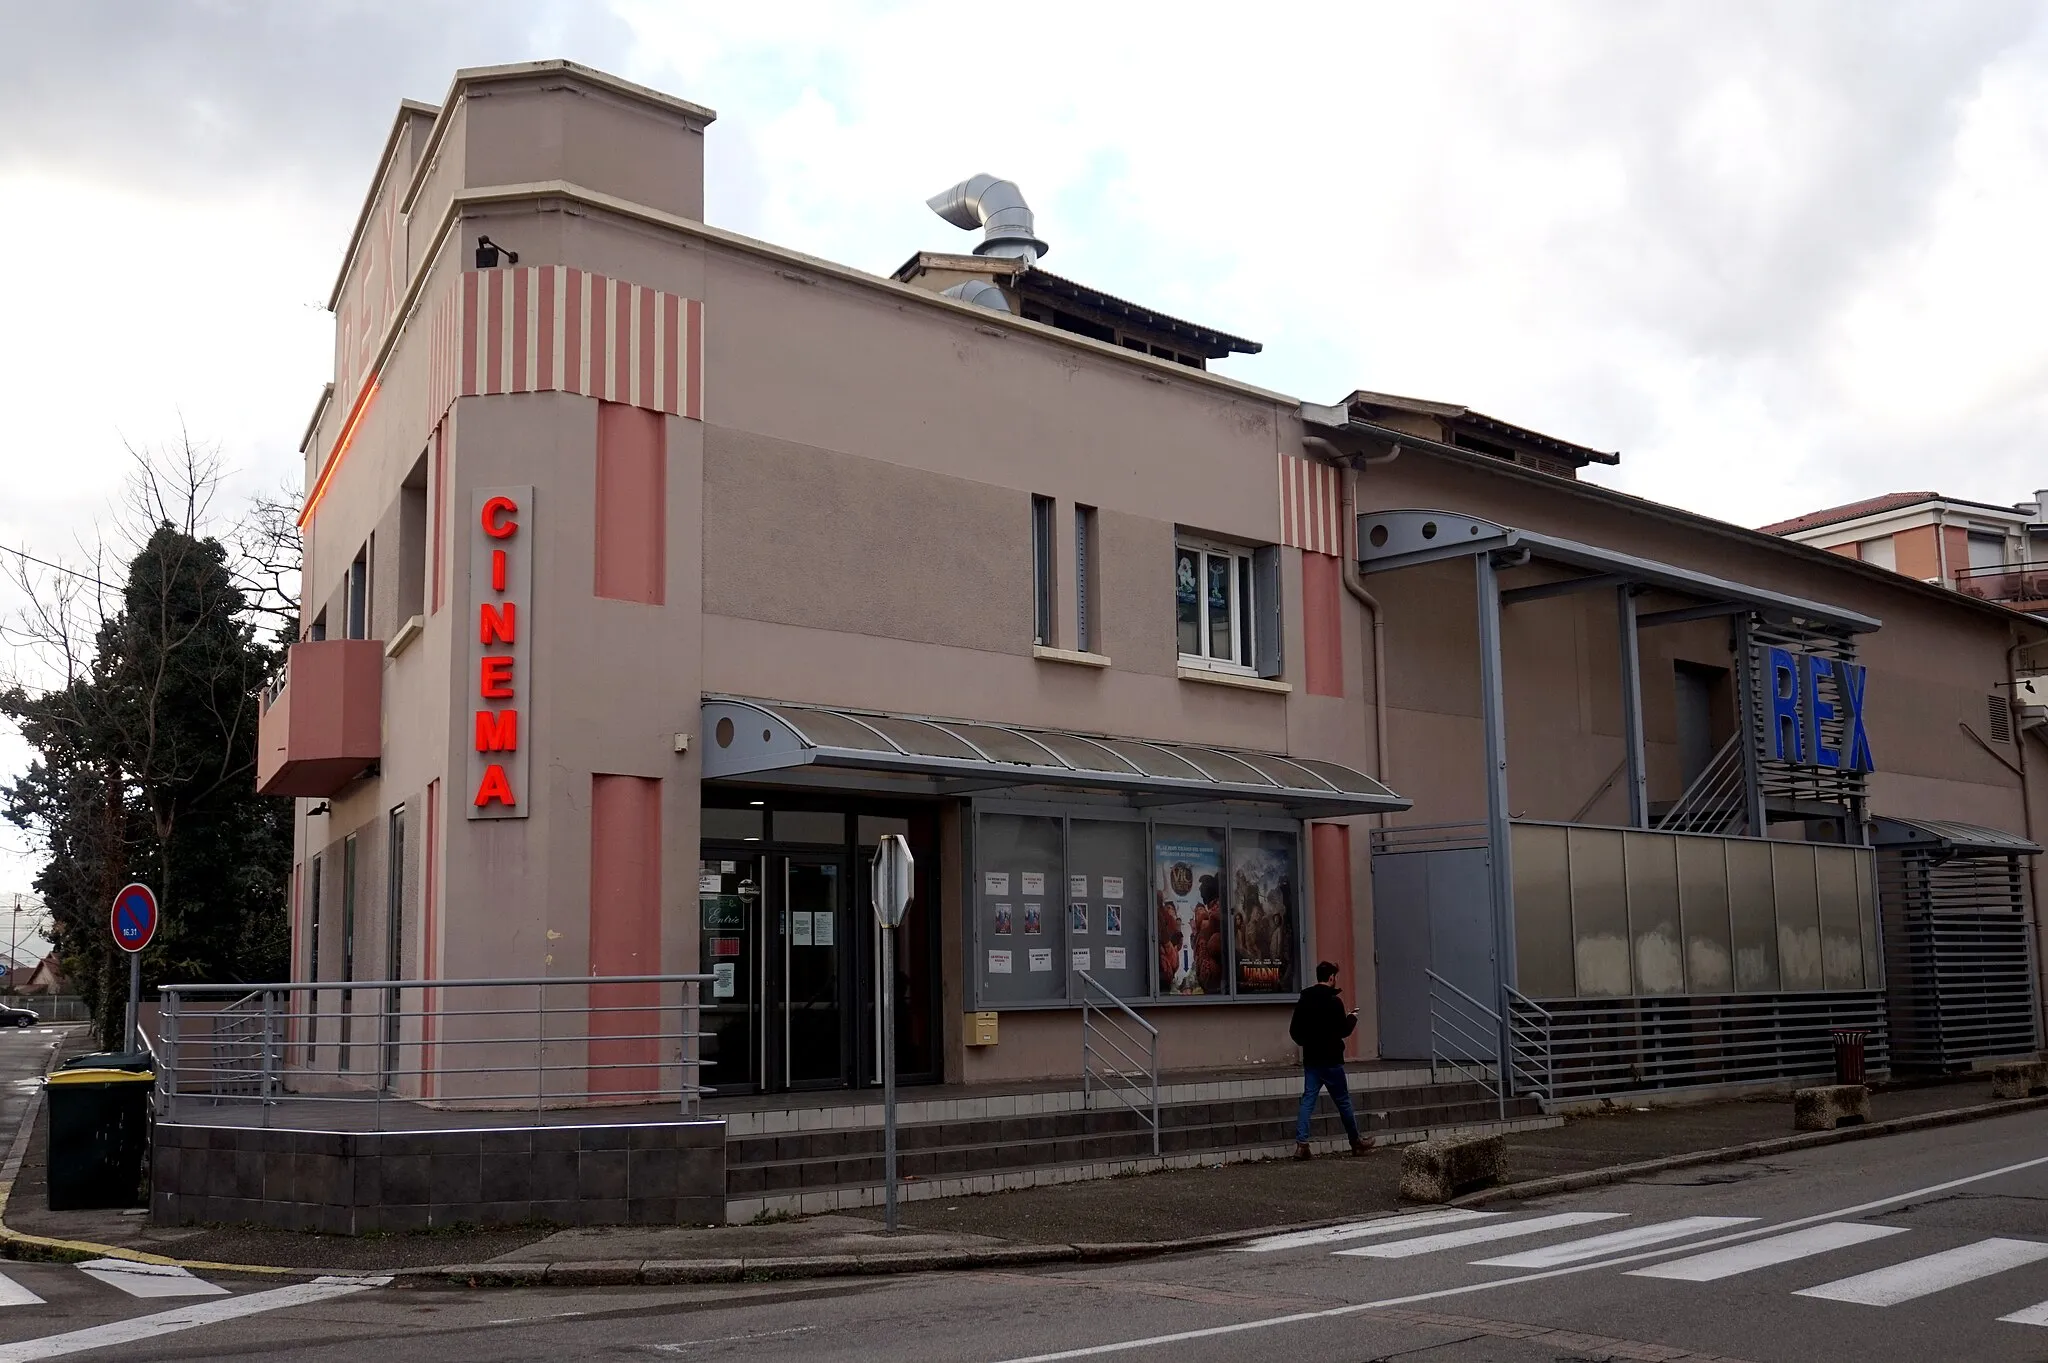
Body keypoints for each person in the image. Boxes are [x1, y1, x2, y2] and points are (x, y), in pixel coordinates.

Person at [1289, 960, 1366, 1158]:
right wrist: (1352, 1017)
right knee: (1343, 1102)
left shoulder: (1304, 999)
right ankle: (1356, 1142)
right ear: (1331, 977)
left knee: (1308, 1101)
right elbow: (1343, 1030)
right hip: (1332, 1060)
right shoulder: (1334, 1002)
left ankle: (1302, 1145)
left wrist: (1307, 1042)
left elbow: (1294, 1031)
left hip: (1312, 1060)